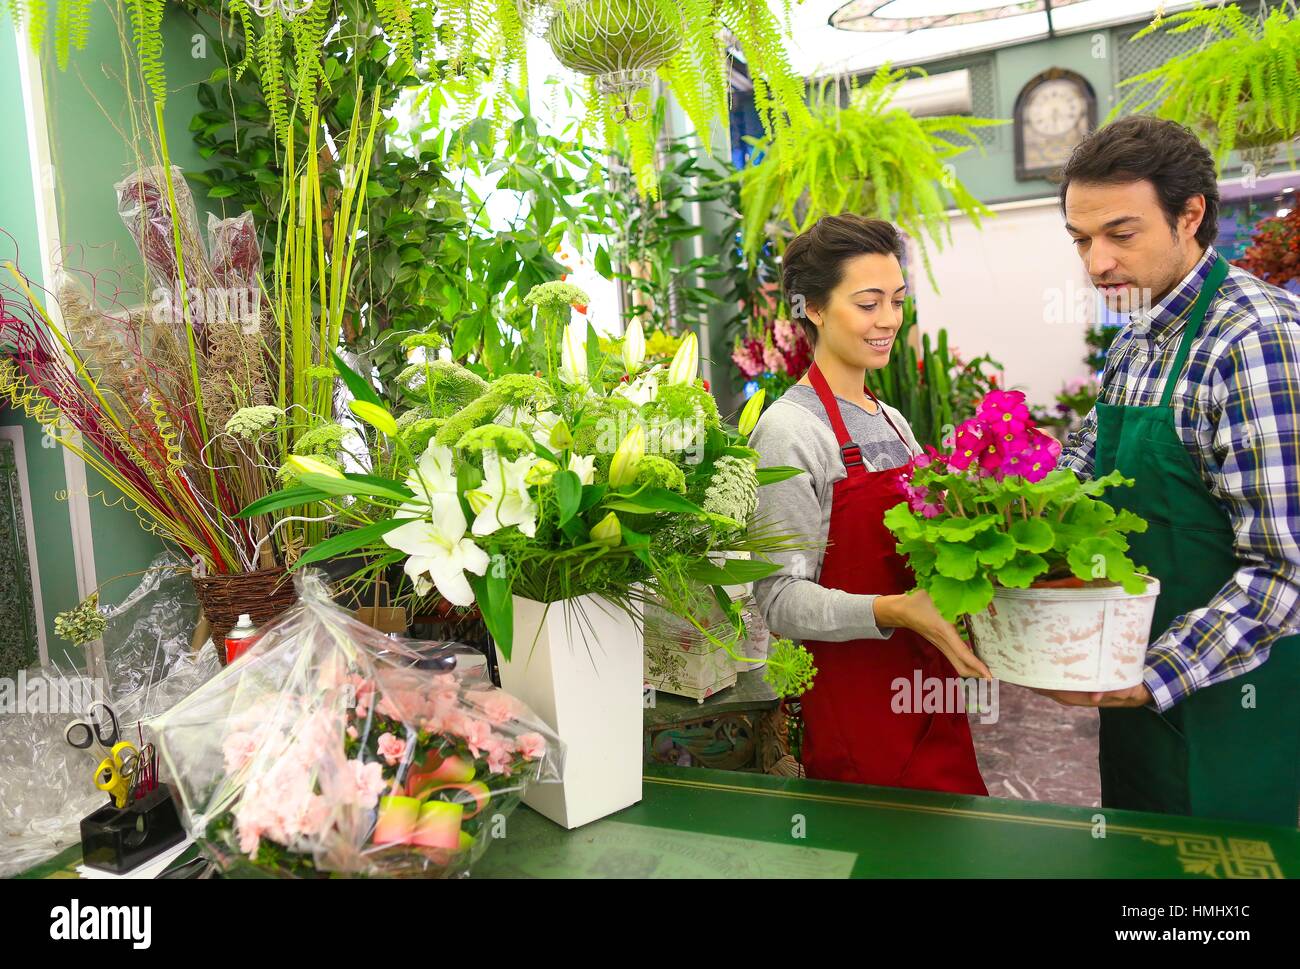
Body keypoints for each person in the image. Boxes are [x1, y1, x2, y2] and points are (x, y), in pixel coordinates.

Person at [1053, 116, 1300, 826]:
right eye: (1081, 240)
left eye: (1120, 234)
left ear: (1191, 215)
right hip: (1135, 701)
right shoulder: (1135, 340)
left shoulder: (1256, 338)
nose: (1097, 262)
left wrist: (1150, 673)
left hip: (1229, 706)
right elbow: (1084, 467)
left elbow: (1284, 571)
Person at [750, 214, 989, 795]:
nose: (888, 320)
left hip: (928, 688)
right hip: (854, 706)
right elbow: (778, 599)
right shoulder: (790, 432)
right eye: (867, 303)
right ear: (813, 308)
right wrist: (893, 611)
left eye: (897, 301)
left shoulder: (894, 421)